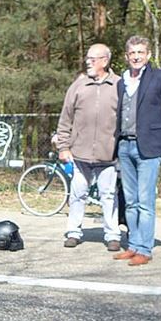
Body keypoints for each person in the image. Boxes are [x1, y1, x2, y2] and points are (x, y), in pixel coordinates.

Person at [113, 36, 161, 266]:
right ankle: (133, 244)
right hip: (125, 145)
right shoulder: (121, 82)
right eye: (132, 53)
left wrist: (160, 138)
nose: (136, 56)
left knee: (145, 201)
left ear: (148, 55)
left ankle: (145, 248)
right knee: (130, 201)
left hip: (148, 148)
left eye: (141, 52)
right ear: (126, 56)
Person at [56, 43, 122, 251]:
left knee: (109, 196)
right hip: (79, 153)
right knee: (77, 194)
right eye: (87, 58)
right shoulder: (78, 85)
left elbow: (126, 120)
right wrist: (63, 147)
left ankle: (112, 235)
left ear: (105, 61)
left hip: (108, 155)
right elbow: (65, 119)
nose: (88, 62)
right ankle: (74, 232)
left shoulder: (119, 85)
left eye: (93, 59)